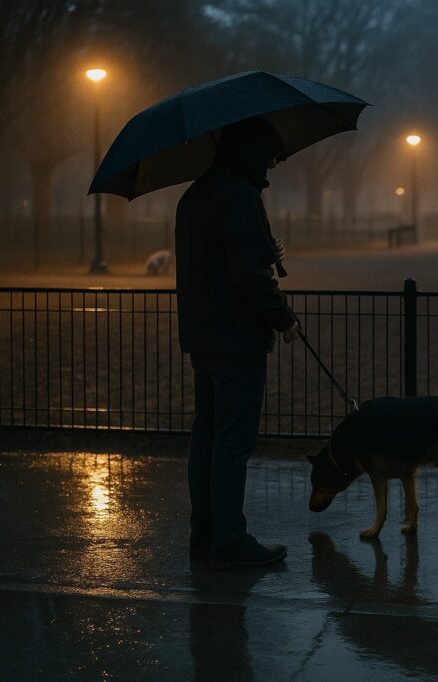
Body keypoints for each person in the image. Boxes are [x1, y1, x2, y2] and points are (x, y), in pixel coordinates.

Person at [175, 115, 298, 569]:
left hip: (202, 336)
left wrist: (264, 250)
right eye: (268, 156)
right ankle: (229, 541)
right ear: (251, 153)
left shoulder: (195, 196)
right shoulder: (240, 196)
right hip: (238, 339)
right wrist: (283, 319)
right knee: (232, 443)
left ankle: (204, 537)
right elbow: (248, 277)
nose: (271, 166)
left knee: (206, 438)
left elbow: (216, 262)